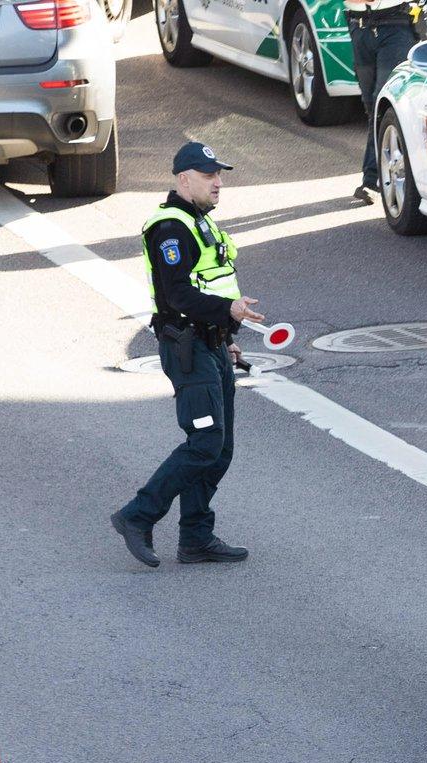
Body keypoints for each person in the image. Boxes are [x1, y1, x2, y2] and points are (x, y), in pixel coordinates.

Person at [112, 143, 263, 569]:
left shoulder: (200, 222)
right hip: (187, 347)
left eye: (220, 174)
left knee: (220, 449)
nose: (218, 182)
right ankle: (136, 516)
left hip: (211, 343)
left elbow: (210, 284)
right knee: (204, 443)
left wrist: (226, 331)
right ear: (183, 180)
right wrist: (226, 312)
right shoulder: (172, 229)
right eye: (208, 174)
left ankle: (196, 538)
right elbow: (177, 294)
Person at [346, 0, 424, 203]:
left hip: (396, 25)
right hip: (359, 26)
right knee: (371, 108)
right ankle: (379, 176)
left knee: (384, 102)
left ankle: (372, 179)